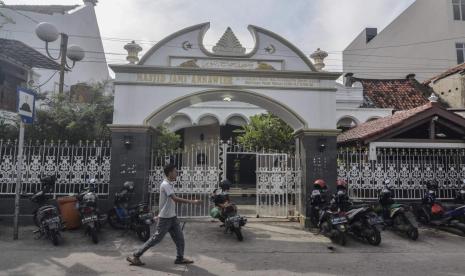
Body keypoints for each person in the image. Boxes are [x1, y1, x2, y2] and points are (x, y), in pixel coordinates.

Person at [127, 164, 202, 266]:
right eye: (175, 171)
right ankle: (136, 255)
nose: (177, 173)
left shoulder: (169, 184)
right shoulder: (165, 184)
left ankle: (179, 258)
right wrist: (192, 202)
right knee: (156, 239)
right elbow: (175, 198)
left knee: (180, 238)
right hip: (165, 218)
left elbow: (173, 198)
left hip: (172, 217)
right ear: (170, 173)